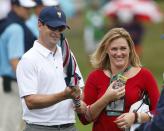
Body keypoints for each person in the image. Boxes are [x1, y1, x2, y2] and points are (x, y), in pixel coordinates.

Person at [77, 28, 160, 131]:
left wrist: (136, 117)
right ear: (106, 50)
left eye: (123, 48)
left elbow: (159, 112)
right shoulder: (95, 77)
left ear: (130, 49)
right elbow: (84, 119)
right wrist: (106, 98)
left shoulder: (145, 76)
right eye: (114, 49)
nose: (119, 53)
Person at [16, 6, 84, 131]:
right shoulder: (28, 59)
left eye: (61, 28)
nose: (57, 32)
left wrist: (78, 97)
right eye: (52, 27)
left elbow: (80, 88)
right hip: (39, 126)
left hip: (69, 126)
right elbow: (30, 101)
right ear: (39, 25)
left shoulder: (68, 55)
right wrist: (64, 95)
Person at [0, 0, 36, 93]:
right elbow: (15, 61)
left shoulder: (6, 24)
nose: (29, 11)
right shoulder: (16, 28)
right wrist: (30, 84)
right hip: (10, 85)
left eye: (29, 8)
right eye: (25, 8)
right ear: (15, 7)